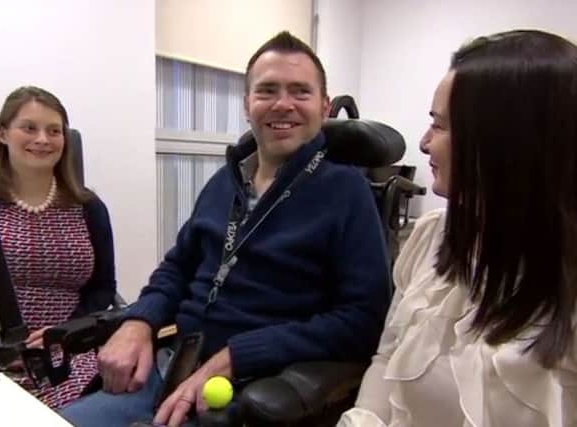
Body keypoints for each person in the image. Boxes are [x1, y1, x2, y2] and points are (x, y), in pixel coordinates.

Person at [61, 31, 391, 427]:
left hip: (246, 393)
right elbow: (177, 268)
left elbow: (364, 320)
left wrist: (238, 355)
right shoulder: (224, 182)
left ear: (323, 107)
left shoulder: (346, 191)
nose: (282, 104)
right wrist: (139, 321)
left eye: (300, 92)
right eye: (267, 90)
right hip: (169, 370)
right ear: (247, 104)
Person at [337, 29, 577, 427]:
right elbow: (386, 357)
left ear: (507, 142)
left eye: (442, 126)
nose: (425, 142)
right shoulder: (433, 236)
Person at [0, 86, 116, 409]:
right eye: (29, 128)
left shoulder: (89, 207)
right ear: (3, 134)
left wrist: (65, 332)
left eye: (54, 131)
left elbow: (103, 288)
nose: (43, 139)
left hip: (71, 347)